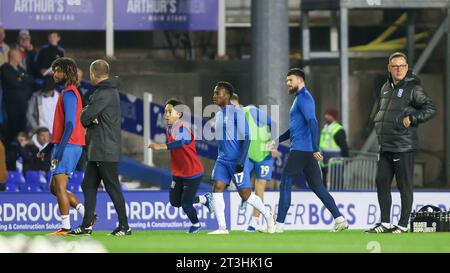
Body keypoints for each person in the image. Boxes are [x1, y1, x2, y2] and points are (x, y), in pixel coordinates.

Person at [270, 68, 348, 233]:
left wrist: (314, 148)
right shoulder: (299, 98)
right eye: (287, 81)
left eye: (290, 80)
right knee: (317, 186)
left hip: (301, 151)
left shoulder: (304, 97)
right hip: (305, 151)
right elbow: (294, 129)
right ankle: (340, 219)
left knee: (285, 183)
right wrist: (277, 141)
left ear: (299, 80)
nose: (288, 84)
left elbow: (312, 121)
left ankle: (279, 225)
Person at [367, 52, 437, 234]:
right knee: (381, 182)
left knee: (404, 185)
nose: (399, 69)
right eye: (395, 66)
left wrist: (413, 118)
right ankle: (385, 223)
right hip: (386, 145)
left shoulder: (414, 88)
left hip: (403, 146)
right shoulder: (385, 87)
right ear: (389, 69)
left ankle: (403, 224)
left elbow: (430, 108)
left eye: (402, 66)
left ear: (407, 68)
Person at [70, 60, 130, 236]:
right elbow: (89, 116)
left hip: (105, 149)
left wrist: (88, 113)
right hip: (98, 149)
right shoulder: (108, 92)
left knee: (112, 187)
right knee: (88, 184)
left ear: (93, 73)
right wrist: (90, 115)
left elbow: (85, 117)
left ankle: (125, 226)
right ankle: (87, 225)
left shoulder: (104, 93)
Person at [208, 81, 275, 235]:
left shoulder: (237, 113)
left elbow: (247, 138)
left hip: (237, 160)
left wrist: (241, 160)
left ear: (227, 96)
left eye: (217, 93)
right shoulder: (218, 114)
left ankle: (267, 215)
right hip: (222, 160)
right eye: (214, 93)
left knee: (245, 194)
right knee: (217, 187)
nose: (214, 96)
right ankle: (222, 228)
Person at [37, 57, 89, 235]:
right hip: (66, 145)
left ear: (67, 72)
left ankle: (65, 227)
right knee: (54, 188)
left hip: (68, 146)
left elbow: (70, 125)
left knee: (59, 187)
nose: (55, 73)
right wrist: (49, 148)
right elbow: (63, 127)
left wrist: (58, 150)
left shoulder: (69, 94)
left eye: (58, 70)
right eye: (54, 70)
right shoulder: (69, 92)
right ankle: (87, 215)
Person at [148, 99, 214, 234]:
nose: (166, 115)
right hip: (178, 173)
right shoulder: (169, 129)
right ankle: (204, 199)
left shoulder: (183, 128)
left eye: (169, 111)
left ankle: (196, 225)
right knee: (175, 202)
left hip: (192, 173)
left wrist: (160, 146)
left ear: (179, 114)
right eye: (165, 111)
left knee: (185, 204)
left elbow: (180, 143)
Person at [230, 93, 280, 232]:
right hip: (248, 157)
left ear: (239, 105)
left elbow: (273, 124)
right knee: (243, 187)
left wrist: (274, 143)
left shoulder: (251, 111)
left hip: (264, 156)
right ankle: (246, 197)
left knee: (260, 189)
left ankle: (254, 222)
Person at [0, 48, 34, 144]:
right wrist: (23, 80)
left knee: (22, 129)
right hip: (12, 106)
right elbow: (14, 83)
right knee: (13, 129)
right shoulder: (5, 68)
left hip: (23, 105)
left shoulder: (20, 69)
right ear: (12, 56)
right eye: (18, 55)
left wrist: (21, 79)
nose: (20, 57)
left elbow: (30, 80)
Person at [319, 107, 349, 187]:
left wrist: (346, 158)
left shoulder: (338, 129)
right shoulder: (324, 129)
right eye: (326, 114)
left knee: (336, 183)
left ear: (333, 117)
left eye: (328, 115)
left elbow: (344, 146)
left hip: (336, 162)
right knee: (325, 183)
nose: (326, 116)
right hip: (324, 161)